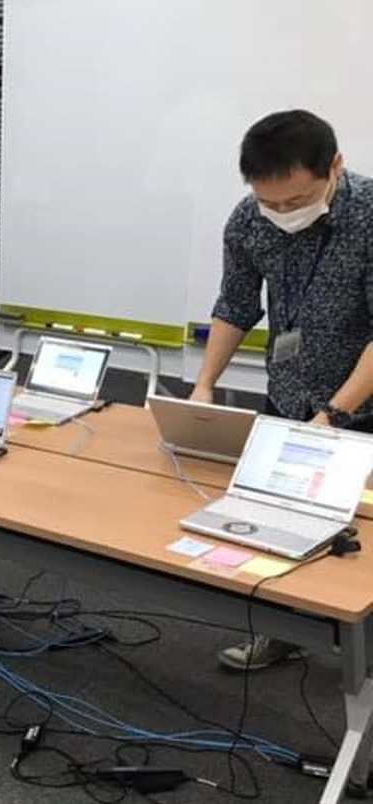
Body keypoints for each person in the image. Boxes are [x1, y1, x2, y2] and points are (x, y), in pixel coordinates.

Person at [193, 109, 373, 671]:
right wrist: (203, 387)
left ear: (335, 167)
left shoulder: (369, 216)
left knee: (364, 537)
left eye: (295, 201)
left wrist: (334, 416)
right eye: (269, 202)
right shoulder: (250, 219)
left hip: (362, 402)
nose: (281, 213)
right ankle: (284, 630)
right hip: (290, 391)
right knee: (280, 518)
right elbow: (235, 304)